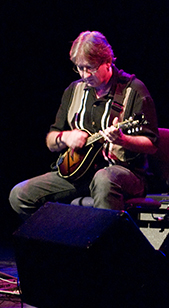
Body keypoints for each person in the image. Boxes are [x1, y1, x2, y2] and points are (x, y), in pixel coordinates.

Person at [9, 31, 159, 220]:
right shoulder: (73, 91)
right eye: (79, 68)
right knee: (19, 195)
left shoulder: (134, 90)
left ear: (107, 61)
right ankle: (63, 242)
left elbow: (152, 144)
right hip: (78, 175)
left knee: (103, 180)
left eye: (91, 68)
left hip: (124, 174)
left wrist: (123, 139)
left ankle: (104, 247)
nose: (85, 74)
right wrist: (66, 137)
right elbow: (50, 140)